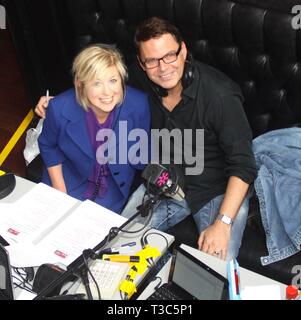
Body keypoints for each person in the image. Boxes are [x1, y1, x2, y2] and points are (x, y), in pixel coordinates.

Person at [35, 17, 257, 261]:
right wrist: (57, 102)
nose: (163, 68)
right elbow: (99, 80)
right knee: (114, 248)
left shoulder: (220, 95)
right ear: (141, 64)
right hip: (163, 179)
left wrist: (223, 223)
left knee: (215, 266)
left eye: (169, 55)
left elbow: (244, 165)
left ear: (183, 51)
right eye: (151, 61)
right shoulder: (141, 80)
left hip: (215, 188)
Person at [38, 44, 150, 214]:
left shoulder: (139, 104)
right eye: (97, 83)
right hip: (68, 179)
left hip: (112, 188)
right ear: (80, 84)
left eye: (113, 80)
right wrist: (59, 191)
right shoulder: (59, 107)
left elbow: (142, 154)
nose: (107, 92)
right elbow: (48, 145)